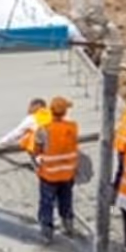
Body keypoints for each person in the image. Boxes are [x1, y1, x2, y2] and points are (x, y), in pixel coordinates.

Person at [32, 95, 78, 243]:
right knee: (66, 200)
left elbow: (37, 150)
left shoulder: (43, 129)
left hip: (49, 175)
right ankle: (68, 226)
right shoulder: (72, 127)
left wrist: (38, 161)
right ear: (64, 112)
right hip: (67, 174)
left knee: (47, 203)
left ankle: (47, 232)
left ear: (51, 111)